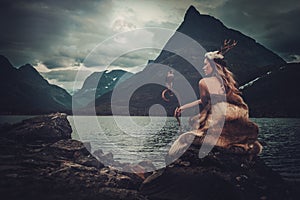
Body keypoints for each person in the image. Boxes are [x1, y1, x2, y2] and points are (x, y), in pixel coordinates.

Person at [168, 41, 262, 160]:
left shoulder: (203, 82)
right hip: (230, 119)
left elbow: (203, 101)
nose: (203, 67)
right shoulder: (227, 83)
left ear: (213, 66)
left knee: (185, 138)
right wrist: (184, 107)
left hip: (216, 120)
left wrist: (183, 108)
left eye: (205, 64)